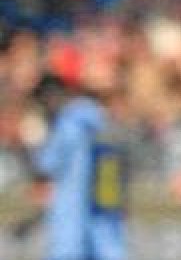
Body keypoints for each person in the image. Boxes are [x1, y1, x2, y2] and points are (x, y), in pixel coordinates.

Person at [24, 74, 129, 260]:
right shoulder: (100, 121)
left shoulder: (67, 124)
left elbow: (46, 164)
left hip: (73, 207)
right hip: (107, 198)